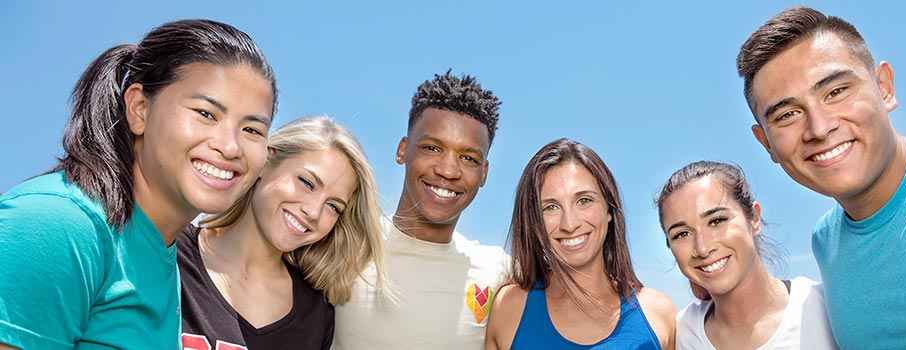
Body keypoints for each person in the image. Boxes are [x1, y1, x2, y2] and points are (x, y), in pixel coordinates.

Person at [0, 19, 275, 349]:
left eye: (252, 130)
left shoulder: (163, 252)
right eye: (205, 113)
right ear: (139, 109)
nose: (230, 147)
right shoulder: (57, 225)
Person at [738, 6, 906, 348]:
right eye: (788, 115)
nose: (819, 127)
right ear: (766, 144)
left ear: (884, 87)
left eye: (835, 92)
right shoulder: (826, 239)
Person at [333, 70, 508, 349]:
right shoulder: (345, 243)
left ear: (484, 173)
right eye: (432, 148)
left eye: (468, 158)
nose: (448, 170)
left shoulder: (499, 273)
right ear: (403, 150)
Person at [179, 116, 388, 349]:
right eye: (307, 183)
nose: (313, 212)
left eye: (333, 206)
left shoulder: (316, 314)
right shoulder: (168, 254)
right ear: (266, 162)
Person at [486, 139, 676, 350]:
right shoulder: (509, 308)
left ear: (609, 209)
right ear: (533, 222)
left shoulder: (659, 314)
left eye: (584, 201)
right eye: (550, 207)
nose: (570, 224)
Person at [655, 161, 836, 349]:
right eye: (682, 234)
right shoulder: (682, 332)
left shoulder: (824, 308)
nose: (702, 248)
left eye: (717, 221)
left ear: (755, 219)